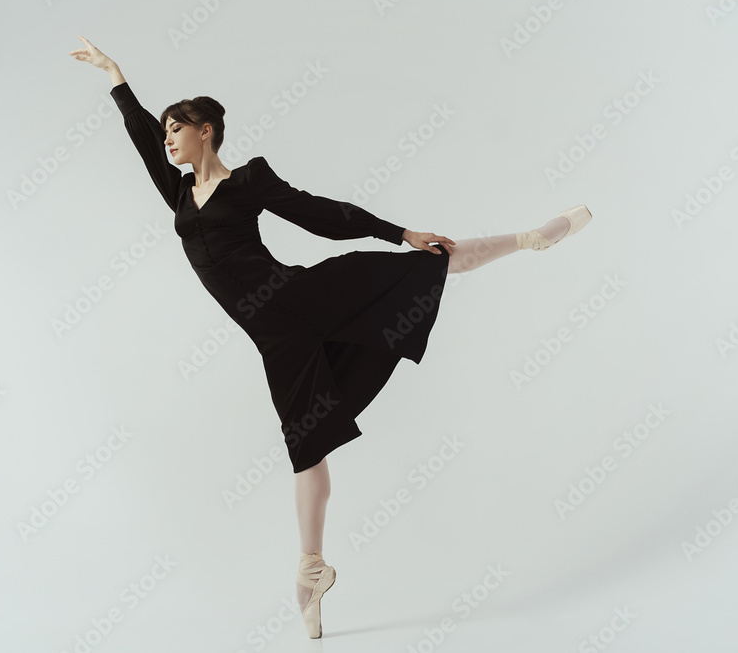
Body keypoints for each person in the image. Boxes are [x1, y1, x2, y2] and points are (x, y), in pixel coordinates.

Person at [69, 34, 591, 638]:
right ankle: (312, 570)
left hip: (301, 296)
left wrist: (399, 232)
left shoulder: (248, 181)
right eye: (165, 131)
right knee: (307, 447)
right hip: (277, 340)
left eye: (176, 129)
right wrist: (115, 76)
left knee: (424, 264)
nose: (166, 139)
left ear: (205, 131)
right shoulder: (179, 193)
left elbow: (320, 213)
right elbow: (140, 137)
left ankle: (530, 238)